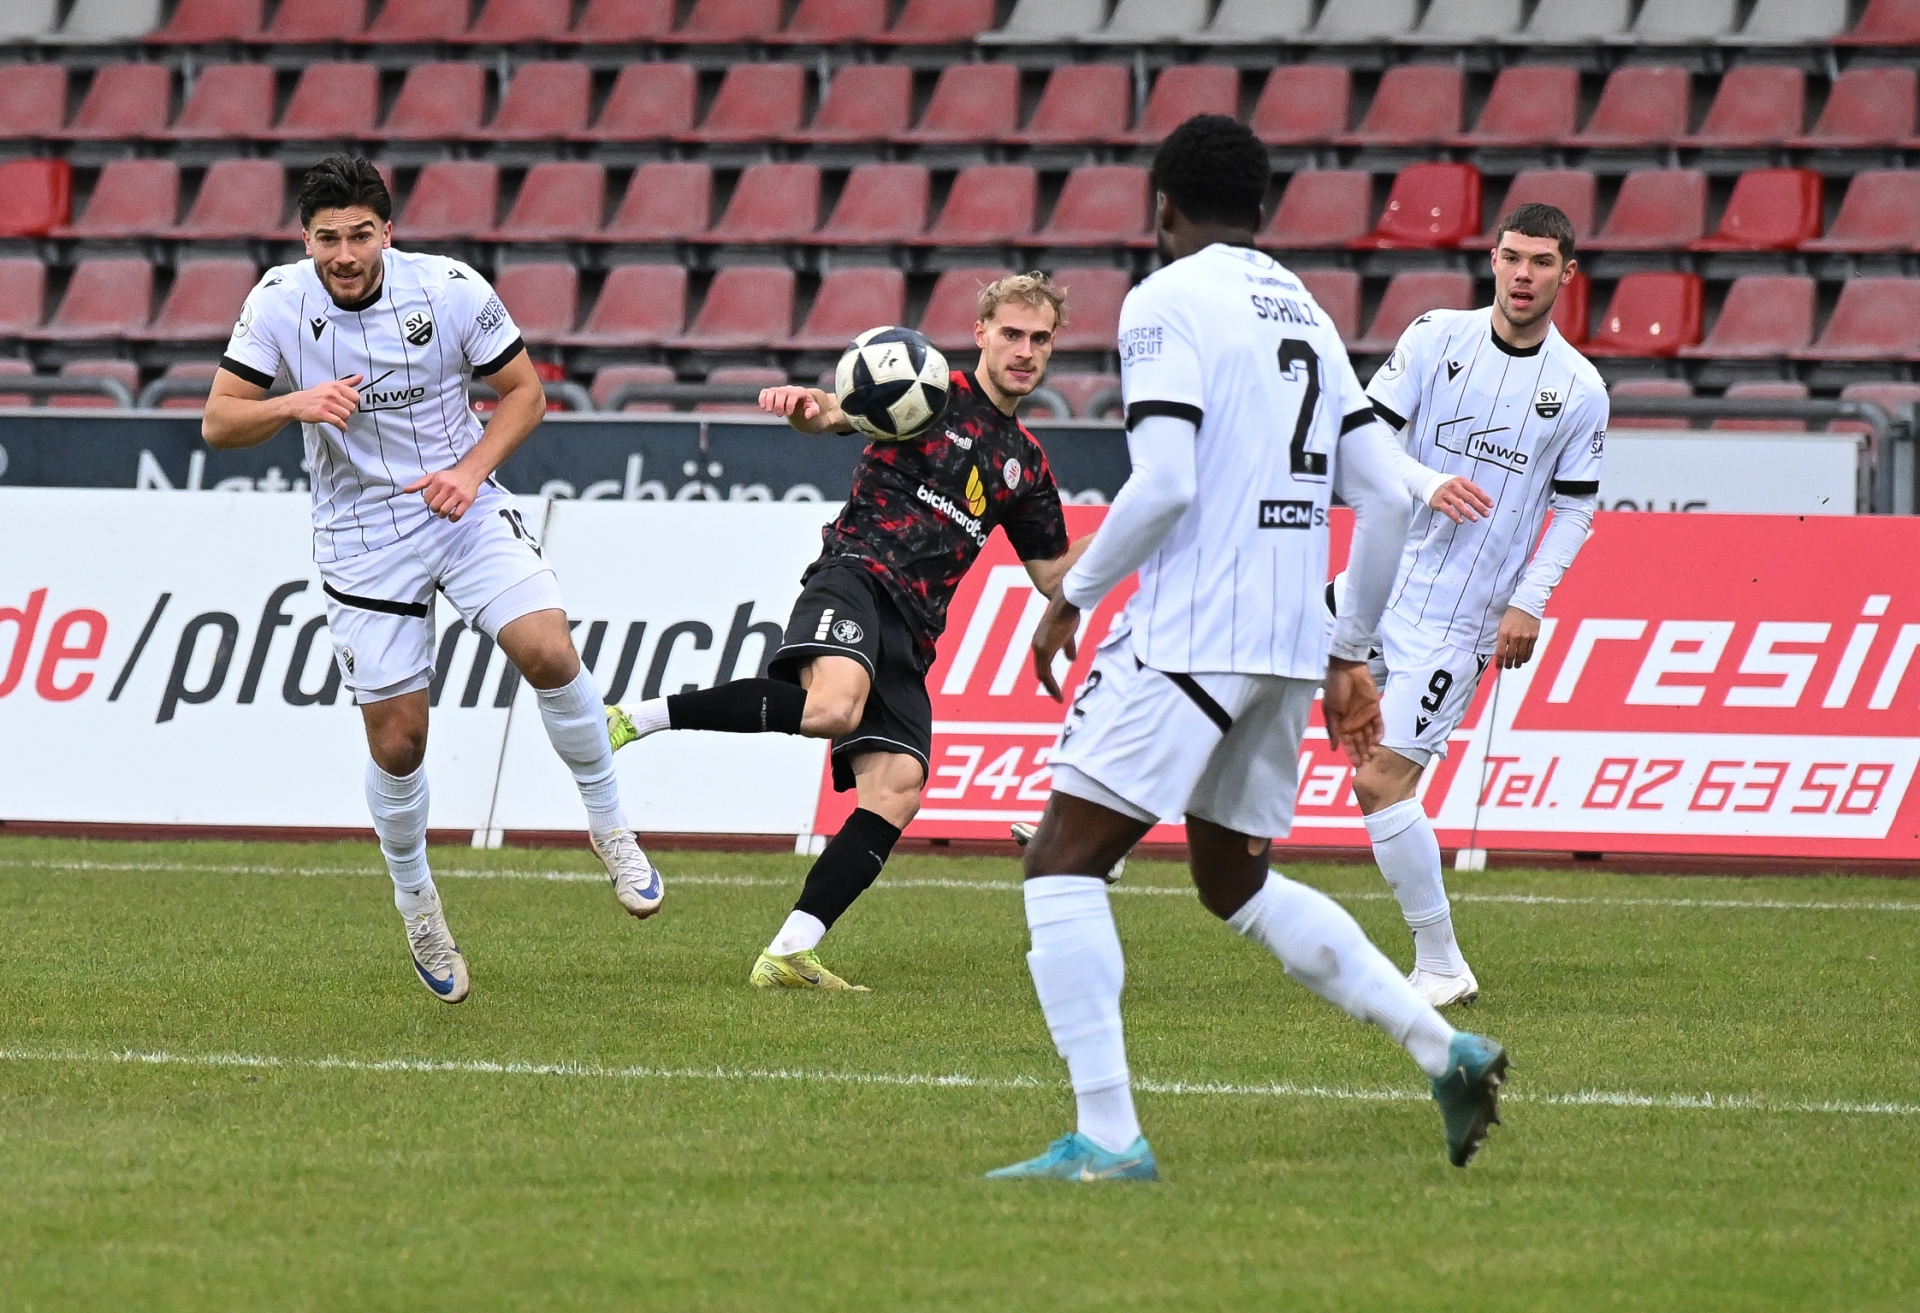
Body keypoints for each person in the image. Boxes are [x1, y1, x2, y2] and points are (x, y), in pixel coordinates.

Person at [985, 116, 1508, 1184]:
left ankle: (1110, 1137)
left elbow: (1167, 481)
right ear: (1260, 210)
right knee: (1234, 880)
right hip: (1283, 635)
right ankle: (1442, 1046)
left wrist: (1070, 595)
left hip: (1193, 630)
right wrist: (1346, 647)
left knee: (1060, 862)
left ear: (1162, 207)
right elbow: (1384, 496)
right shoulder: (1307, 311)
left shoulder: (1164, 299)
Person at [203, 154, 661, 1006]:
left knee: (548, 651)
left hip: (463, 506)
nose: (344, 253)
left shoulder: (448, 288)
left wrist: (471, 468)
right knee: (399, 742)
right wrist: (291, 406)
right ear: (305, 239)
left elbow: (524, 394)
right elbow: (220, 420)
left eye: (360, 234)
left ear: (389, 232)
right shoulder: (277, 300)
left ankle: (610, 825)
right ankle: (417, 900)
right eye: (327, 237)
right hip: (362, 536)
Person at [608, 275, 1083, 991]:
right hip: (856, 574)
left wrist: (1146, 535)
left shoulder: (1025, 462)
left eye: (1039, 338)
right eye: (1011, 333)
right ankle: (635, 718)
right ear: (981, 332)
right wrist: (804, 408)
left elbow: (1054, 576)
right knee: (835, 705)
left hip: (915, 627)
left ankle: (790, 951)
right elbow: (834, 413)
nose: (1024, 350)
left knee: (898, 786)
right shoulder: (925, 385)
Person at [1346, 202, 1608, 1009]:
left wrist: (1529, 600)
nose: (1523, 274)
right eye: (1512, 257)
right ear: (1492, 259)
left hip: (1457, 618)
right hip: (1374, 580)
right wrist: (1427, 483)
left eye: (1541, 262)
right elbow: (1365, 433)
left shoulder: (1578, 388)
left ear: (1567, 275)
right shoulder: (1435, 337)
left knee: (1382, 780)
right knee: (1237, 668)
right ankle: (1106, 833)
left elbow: (1574, 507)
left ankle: (1441, 963)